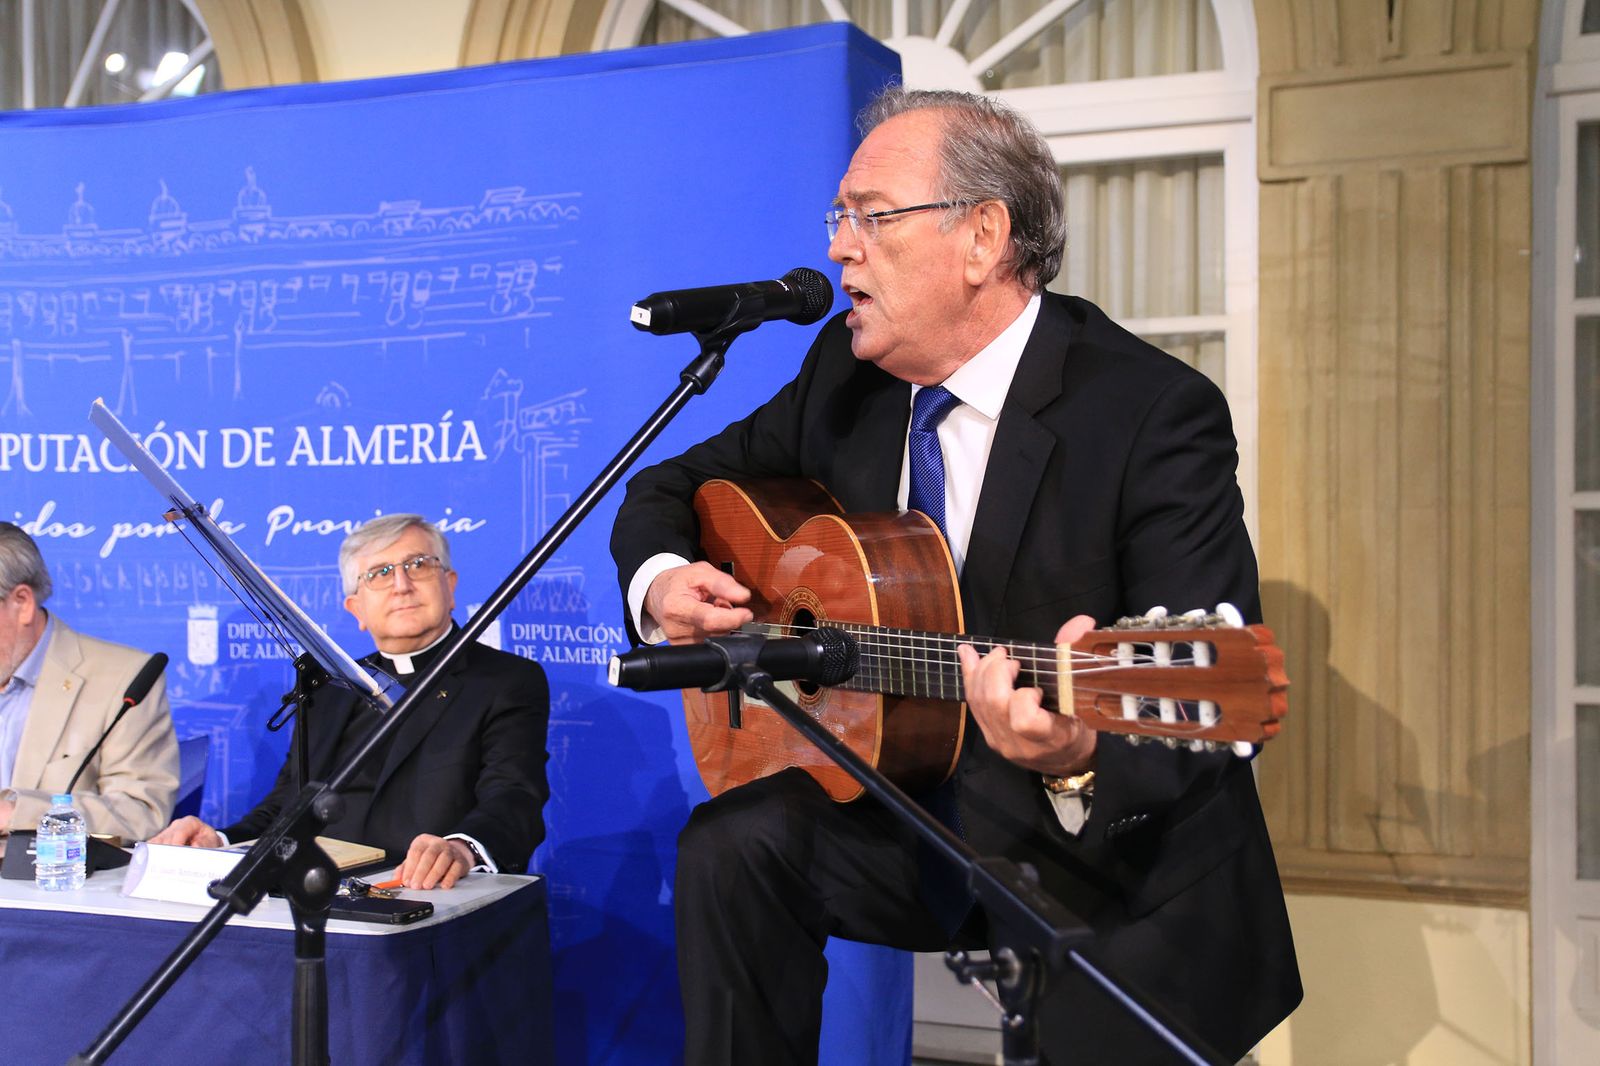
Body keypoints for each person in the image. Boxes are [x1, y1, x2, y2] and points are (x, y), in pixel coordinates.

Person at [610, 87, 1301, 1064]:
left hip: (1103, 847)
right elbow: (670, 487)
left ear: (983, 237)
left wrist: (1075, 754)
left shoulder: (1150, 411)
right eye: (837, 219)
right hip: (912, 805)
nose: (841, 248)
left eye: (872, 216)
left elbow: (1199, 705)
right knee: (732, 842)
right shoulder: (844, 377)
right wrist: (664, 578)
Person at [153, 514, 549, 890]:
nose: (401, 584)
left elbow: (513, 796)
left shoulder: (504, 681)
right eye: (379, 573)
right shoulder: (329, 688)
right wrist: (220, 841)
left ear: (450, 584)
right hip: (318, 896)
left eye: (418, 565)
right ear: (356, 609)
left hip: (426, 892)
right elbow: (289, 807)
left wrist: (463, 848)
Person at [0, 522, 179, 842]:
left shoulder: (125, 680)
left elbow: (140, 813)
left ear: (23, 603)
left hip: (46, 885)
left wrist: (16, 812)